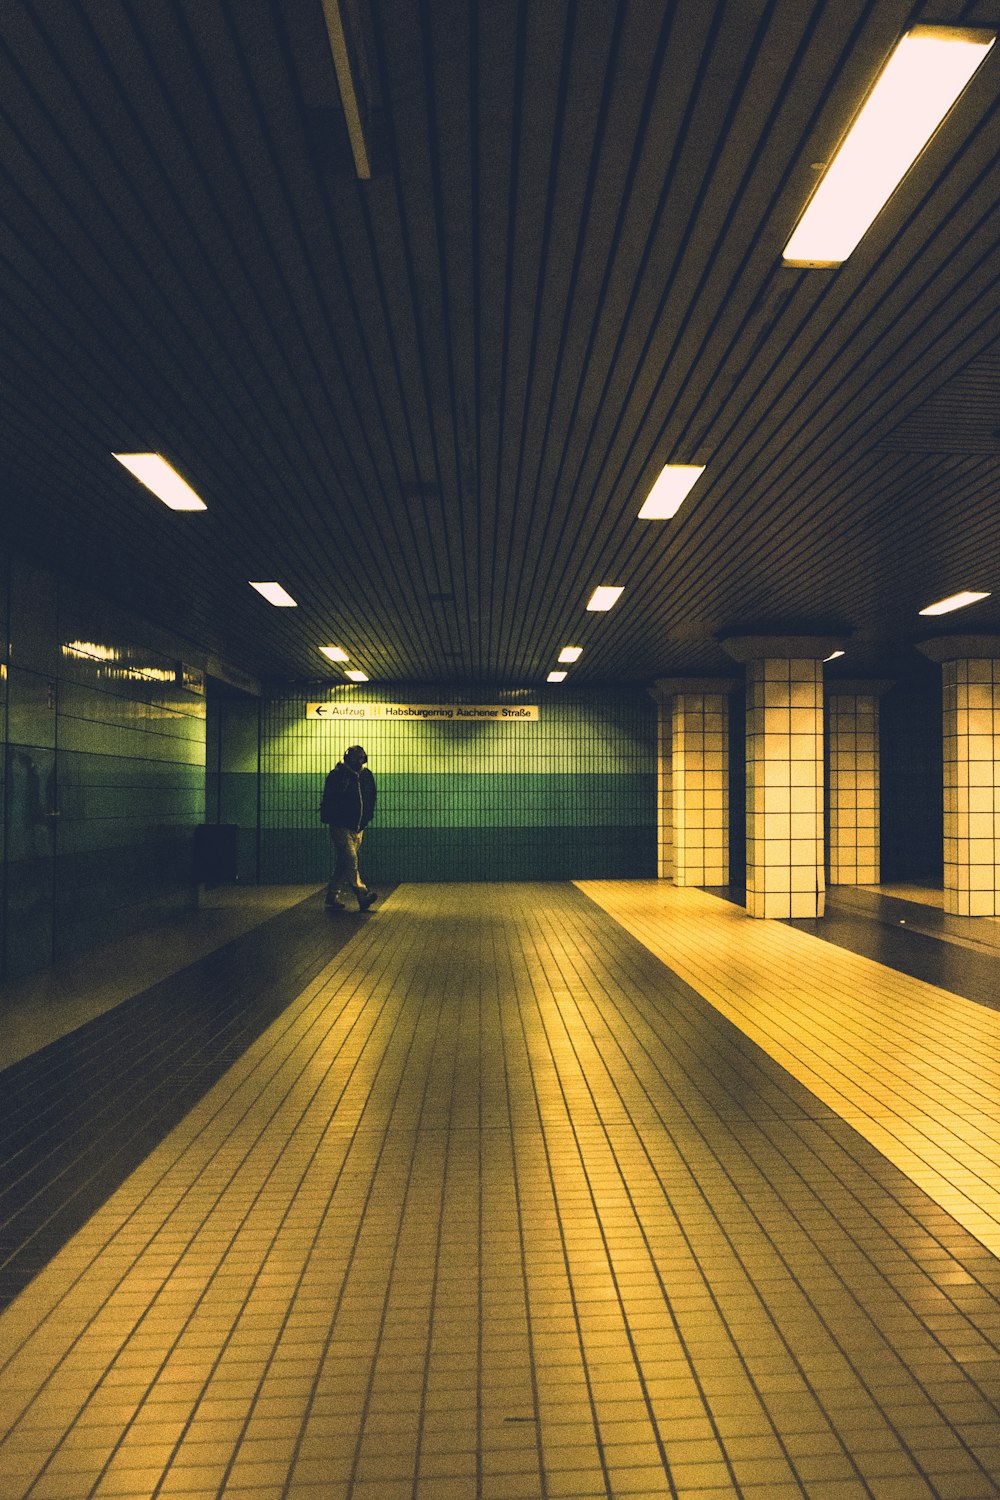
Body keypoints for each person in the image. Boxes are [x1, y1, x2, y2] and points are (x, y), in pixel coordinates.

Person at [320, 744, 378, 912]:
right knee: (351, 861)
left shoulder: (366, 776)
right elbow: (331, 799)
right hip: (341, 826)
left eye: (361, 759)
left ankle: (332, 896)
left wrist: (366, 818)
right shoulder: (338, 776)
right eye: (356, 759)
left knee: (343, 863)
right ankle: (363, 895)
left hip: (358, 827)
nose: (359, 762)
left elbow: (371, 797)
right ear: (348, 760)